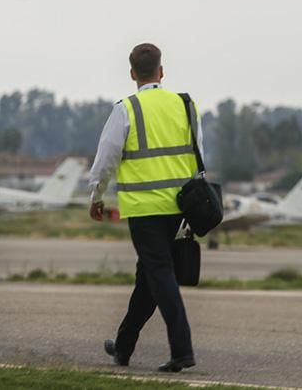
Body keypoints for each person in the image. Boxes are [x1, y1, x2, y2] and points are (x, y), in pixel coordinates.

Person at [89, 42, 201, 372]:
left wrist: (96, 196)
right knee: (148, 280)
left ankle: (182, 350)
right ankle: (123, 346)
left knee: (160, 275)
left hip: (144, 209)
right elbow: (199, 152)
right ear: (161, 71)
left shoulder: (127, 109)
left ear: (132, 74)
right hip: (180, 207)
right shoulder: (185, 104)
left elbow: (106, 158)